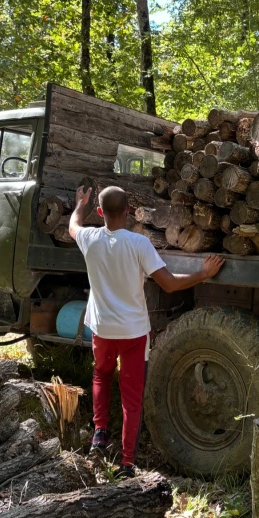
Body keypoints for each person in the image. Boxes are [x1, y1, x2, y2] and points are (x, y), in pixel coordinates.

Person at [70, 184, 225, 477]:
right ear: (128, 211)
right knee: (131, 398)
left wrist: (80, 204)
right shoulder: (139, 244)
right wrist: (203, 273)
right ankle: (127, 463)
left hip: (102, 329)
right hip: (132, 333)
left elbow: (73, 226)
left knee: (100, 375)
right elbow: (168, 283)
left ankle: (100, 433)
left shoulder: (89, 238)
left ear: (101, 212)